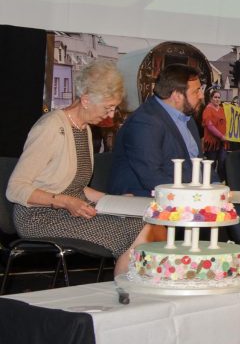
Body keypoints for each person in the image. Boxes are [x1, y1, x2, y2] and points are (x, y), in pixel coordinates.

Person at [7, 60, 163, 275]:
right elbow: (15, 188)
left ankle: (144, 289)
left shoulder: (84, 129)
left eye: (114, 108)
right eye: (108, 108)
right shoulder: (50, 127)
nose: (110, 115)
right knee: (139, 229)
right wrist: (65, 201)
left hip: (71, 210)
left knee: (153, 222)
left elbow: (77, 187)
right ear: (87, 100)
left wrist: (114, 201)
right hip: (39, 216)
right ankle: (125, 295)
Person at [109, 64, 205, 195]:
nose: (201, 96)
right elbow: (152, 177)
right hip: (146, 201)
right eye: (196, 91)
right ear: (177, 95)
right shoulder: (144, 122)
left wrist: (216, 187)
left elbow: (199, 164)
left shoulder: (188, 119)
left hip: (189, 195)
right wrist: (193, 195)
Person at [202, 87, 227, 181]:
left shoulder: (222, 109)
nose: (217, 99)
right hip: (212, 143)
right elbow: (209, 126)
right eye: (215, 97)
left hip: (223, 142)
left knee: (222, 162)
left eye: (219, 97)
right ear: (211, 98)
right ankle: (209, 182)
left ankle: (221, 181)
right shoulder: (208, 110)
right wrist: (221, 136)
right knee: (211, 164)